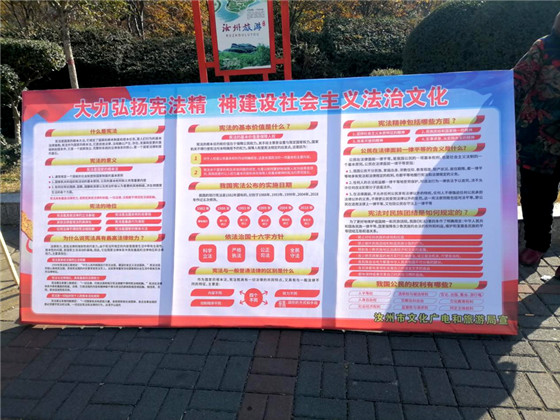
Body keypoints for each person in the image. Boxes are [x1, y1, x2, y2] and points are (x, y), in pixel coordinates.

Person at [516, 11, 560, 271]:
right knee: (534, 196)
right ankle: (536, 244)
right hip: (538, 138)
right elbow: (518, 80)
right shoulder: (543, 47)